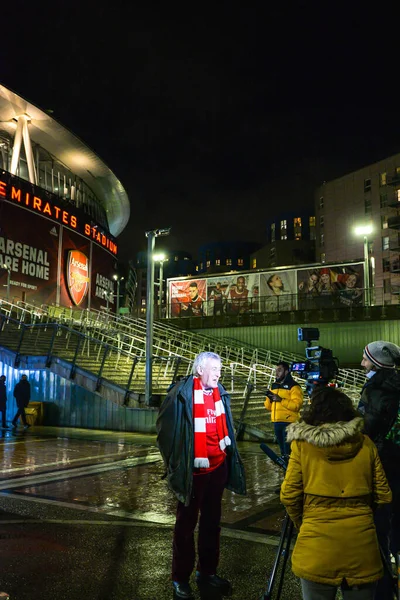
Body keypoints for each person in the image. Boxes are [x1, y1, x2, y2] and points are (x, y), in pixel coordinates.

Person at [281, 387, 392, 600]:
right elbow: (384, 494)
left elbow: (289, 495)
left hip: (316, 548)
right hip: (361, 549)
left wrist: (304, 523)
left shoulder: (302, 445)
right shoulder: (366, 444)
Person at [156, 351, 246, 599]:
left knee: (211, 524)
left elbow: (226, 425)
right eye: (214, 368)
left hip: (218, 467)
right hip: (193, 473)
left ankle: (206, 572)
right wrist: (177, 464)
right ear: (199, 370)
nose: (219, 373)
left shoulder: (220, 392)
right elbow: (165, 433)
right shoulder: (181, 395)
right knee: (185, 527)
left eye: (220, 368)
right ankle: (180, 579)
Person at [358, 341, 400, 599]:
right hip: (396, 461)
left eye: (365, 359)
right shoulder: (394, 383)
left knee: (381, 524)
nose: (362, 364)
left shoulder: (378, 389)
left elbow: (367, 428)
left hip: (384, 463)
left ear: (376, 363)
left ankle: (383, 588)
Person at [264, 361, 303, 457]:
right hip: (277, 422)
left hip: (289, 423)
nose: (277, 373)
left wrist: (281, 400)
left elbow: (297, 406)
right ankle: (285, 471)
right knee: (282, 452)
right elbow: (268, 407)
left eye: (280, 370)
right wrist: (269, 398)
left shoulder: (294, 386)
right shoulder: (274, 386)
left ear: (286, 372)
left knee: (289, 452)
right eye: (276, 370)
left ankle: (290, 470)